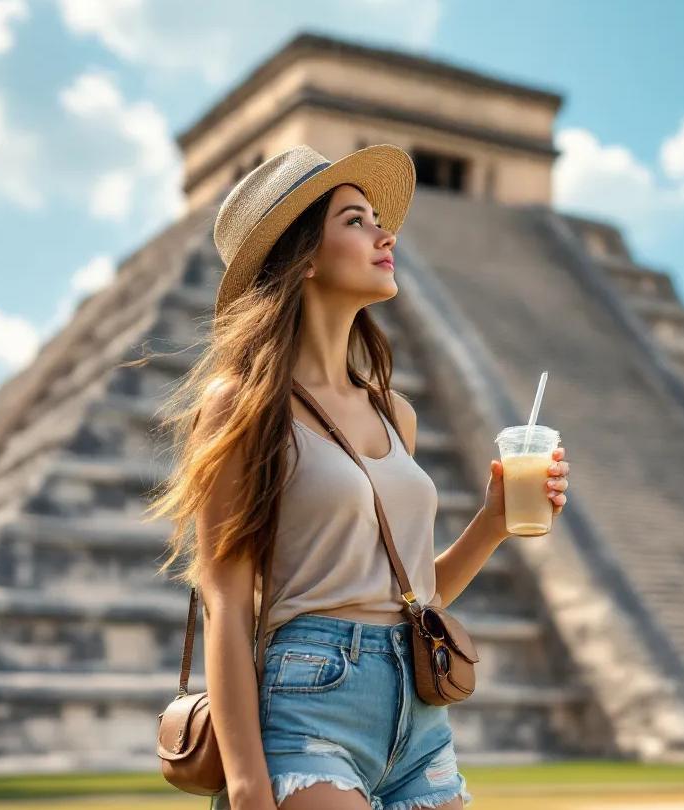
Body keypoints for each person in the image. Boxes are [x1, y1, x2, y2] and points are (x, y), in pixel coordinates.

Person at [146, 144, 571, 810]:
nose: (385, 233)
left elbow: (412, 596)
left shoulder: (392, 412)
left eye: (377, 218)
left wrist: (492, 522)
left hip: (421, 720)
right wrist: (251, 788)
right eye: (356, 220)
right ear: (305, 257)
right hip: (310, 704)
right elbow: (228, 604)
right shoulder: (242, 404)